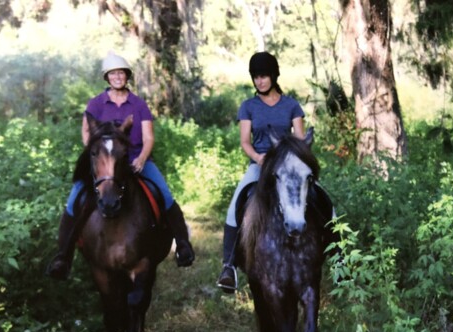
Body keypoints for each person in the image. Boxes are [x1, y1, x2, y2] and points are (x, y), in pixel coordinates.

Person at [47, 51, 195, 280]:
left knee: (165, 195)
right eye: (113, 74)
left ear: (127, 77)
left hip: (134, 159)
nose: (117, 77)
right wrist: (98, 158)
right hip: (104, 163)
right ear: (107, 77)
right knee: (74, 200)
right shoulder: (96, 104)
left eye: (121, 73)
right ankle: (63, 257)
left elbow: (149, 137)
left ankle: (183, 245)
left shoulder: (138, 104)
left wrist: (142, 158)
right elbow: (87, 134)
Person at [216, 51, 307, 293]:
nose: (260, 81)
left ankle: (339, 255)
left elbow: (300, 139)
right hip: (260, 165)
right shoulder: (248, 106)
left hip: (288, 165)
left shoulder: (291, 105)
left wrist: (291, 158)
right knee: (235, 205)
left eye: (264, 76)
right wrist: (258, 157)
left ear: (274, 76)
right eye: (256, 77)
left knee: (322, 197)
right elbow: (245, 141)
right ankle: (229, 266)